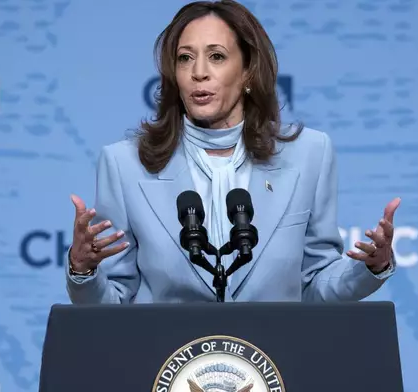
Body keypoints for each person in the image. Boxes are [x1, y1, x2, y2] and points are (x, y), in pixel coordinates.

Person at [65, 0, 400, 304]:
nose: (199, 72)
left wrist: (372, 268)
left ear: (247, 72)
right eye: (185, 58)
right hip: (168, 365)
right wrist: (83, 272)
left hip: (273, 364)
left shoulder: (309, 154)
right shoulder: (125, 164)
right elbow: (114, 303)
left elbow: (314, 285)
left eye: (217, 56)